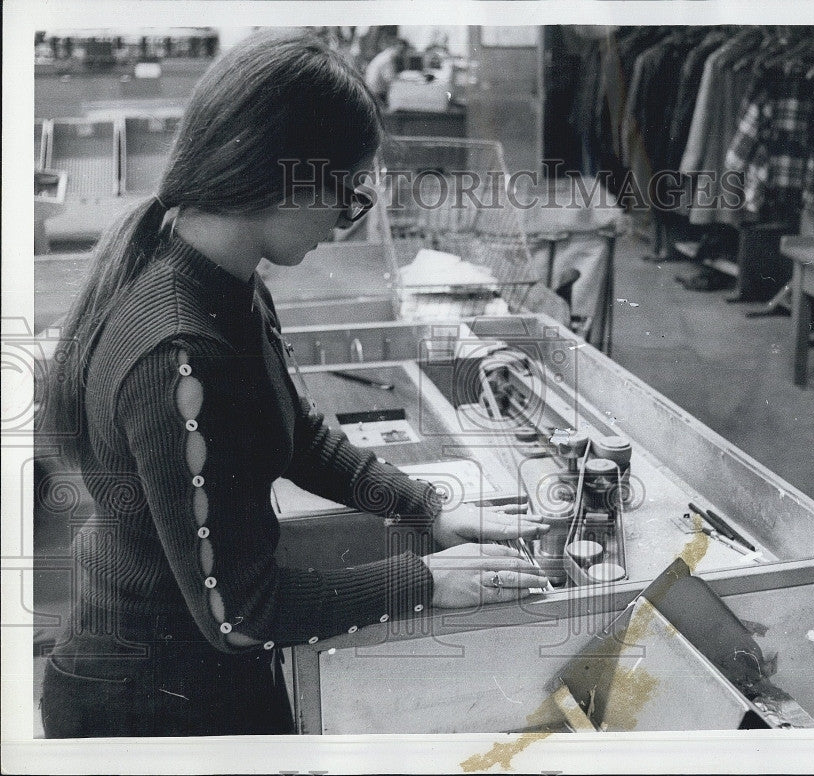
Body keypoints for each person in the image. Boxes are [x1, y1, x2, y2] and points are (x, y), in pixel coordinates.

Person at [38, 28, 550, 738]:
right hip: (146, 703)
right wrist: (426, 582)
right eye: (345, 196)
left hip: (200, 674)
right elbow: (240, 618)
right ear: (281, 177)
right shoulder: (178, 351)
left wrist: (425, 509)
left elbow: (296, 432)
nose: (345, 225)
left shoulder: (223, 274)